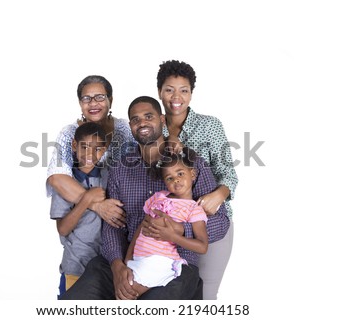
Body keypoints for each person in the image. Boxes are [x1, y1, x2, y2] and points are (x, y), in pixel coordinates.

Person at [60, 96, 230, 300]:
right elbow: (113, 226)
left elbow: (221, 222)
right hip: (128, 260)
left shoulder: (190, 164)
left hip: (174, 266)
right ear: (130, 126)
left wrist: (179, 230)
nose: (142, 123)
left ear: (162, 120)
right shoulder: (120, 169)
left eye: (148, 116)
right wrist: (116, 265)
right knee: (75, 302)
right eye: (135, 119)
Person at [156, 60, 239, 299]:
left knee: (204, 296)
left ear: (191, 93)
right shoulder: (152, 127)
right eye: (169, 89)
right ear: (160, 91)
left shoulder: (210, 126)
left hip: (210, 222)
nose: (176, 97)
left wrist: (219, 194)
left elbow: (228, 173)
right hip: (169, 227)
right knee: (167, 296)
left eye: (184, 90)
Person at [47, 75, 136, 231]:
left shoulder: (124, 129)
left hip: (122, 219)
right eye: (86, 98)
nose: (93, 103)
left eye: (100, 97)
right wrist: (98, 206)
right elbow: (57, 178)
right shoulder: (70, 133)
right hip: (83, 225)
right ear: (80, 104)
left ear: (111, 100)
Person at [124, 147, 208, 297]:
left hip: (160, 262)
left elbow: (202, 247)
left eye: (180, 174)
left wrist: (173, 237)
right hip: (139, 258)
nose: (176, 180)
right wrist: (128, 258)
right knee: (123, 289)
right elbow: (142, 226)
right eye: (169, 178)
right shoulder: (159, 197)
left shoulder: (194, 210)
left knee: (129, 292)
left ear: (192, 174)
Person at [50, 122, 108, 298]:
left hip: (105, 266)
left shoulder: (109, 176)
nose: (91, 154)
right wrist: (87, 198)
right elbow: (63, 228)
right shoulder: (65, 183)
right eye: (85, 147)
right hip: (75, 266)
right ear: (74, 146)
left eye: (97, 148)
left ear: (104, 150)